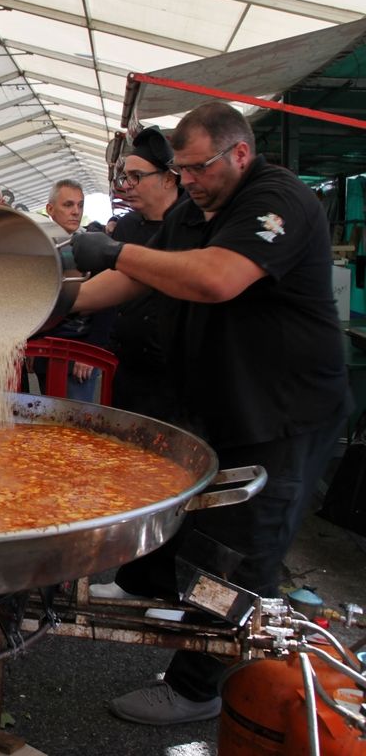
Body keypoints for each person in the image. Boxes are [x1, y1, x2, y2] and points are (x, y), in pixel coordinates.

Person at [71, 101, 349, 725]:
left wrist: (113, 251)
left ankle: (198, 687)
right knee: (196, 524)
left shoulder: (279, 200)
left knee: (243, 552)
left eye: (197, 167)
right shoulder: (197, 212)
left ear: (239, 154)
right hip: (222, 407)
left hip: (284, 415)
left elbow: (216, 279)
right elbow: (136, 282)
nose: (188, 179)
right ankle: (152, 591)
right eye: (182, 168)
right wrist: (47, 300)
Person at [105, 126, 186, 422]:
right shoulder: (127, 227)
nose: (127, 185)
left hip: (176, 379)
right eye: (125, 177)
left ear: (168, 179)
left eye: (136, 177)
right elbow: (111, 290)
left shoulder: (191, 224)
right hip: (129, 370)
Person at [37, 179, 101, 402]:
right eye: (68, 205)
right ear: (50, 209)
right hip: (44, 350)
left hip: (78, 353)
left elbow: (107, 306)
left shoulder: (94, 248)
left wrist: (91, 352)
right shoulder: (36, 246)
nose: (76, 211)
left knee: (75, 424)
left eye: (80, 205)